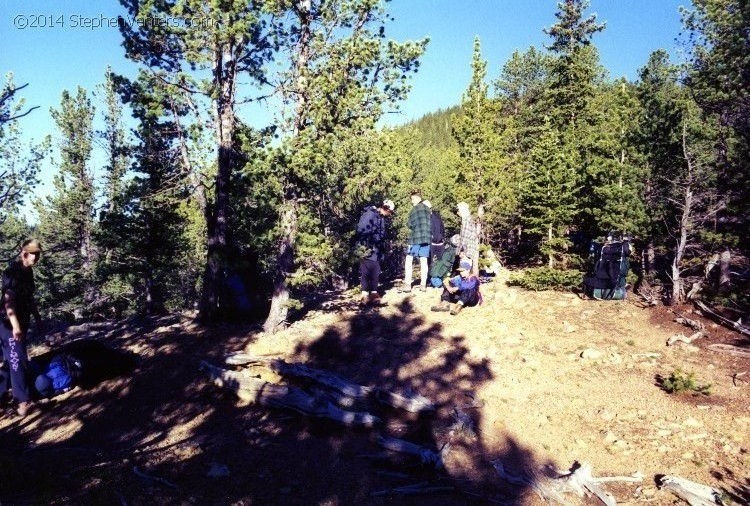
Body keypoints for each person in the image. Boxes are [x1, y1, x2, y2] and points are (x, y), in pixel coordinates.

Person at [1, 239, 44, 416]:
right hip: (8, 323)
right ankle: (22, 402)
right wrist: (16, 327)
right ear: (23, 252)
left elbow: (29, 297)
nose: (35, 256)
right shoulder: (12, 273)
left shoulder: (28, 272)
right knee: (17, 360)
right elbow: (8, 302)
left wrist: (37, 317)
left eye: (38, 253)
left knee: (10, 360)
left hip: (21, 322)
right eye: (32, 253)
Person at [355, 199, 395, 306]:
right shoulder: (370, 214)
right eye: (389, 212)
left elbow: (381, 234)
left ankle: (373, 294)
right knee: (366, 271)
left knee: (376, 270)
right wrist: (366, 247)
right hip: (367, 248)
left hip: (377, 248)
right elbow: (362, 231)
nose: (389, 214)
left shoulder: (380, 217)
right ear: (385, 208)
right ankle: (364, 296)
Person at [400, 190, 431, 293]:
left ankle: (408, 284)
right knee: (423, 260)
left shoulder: (414, 210)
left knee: (409, 259)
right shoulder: (428, 209)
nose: (412, 201)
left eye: (413, 199)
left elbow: (409, 225)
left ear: (418, 198)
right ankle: (423, 284)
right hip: (426, 238)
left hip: (415, 238)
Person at [423, 200, 446, 271]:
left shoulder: (436, 215)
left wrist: (441, 237)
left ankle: (439, 277)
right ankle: (430, 278)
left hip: (439, 243)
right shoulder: (425, 218)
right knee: (430, 262)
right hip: (431, 243)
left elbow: (442, 227)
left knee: (440, 261)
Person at [457, 202, 479, 275]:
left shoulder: (466, 220)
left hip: (467, 249)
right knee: (467, 268)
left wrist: (461, 250)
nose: (458, 212)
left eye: (459, 210)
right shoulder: (469, 219)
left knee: (464, 269)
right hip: (470, 248)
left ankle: (466, 284)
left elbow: (464, 237)